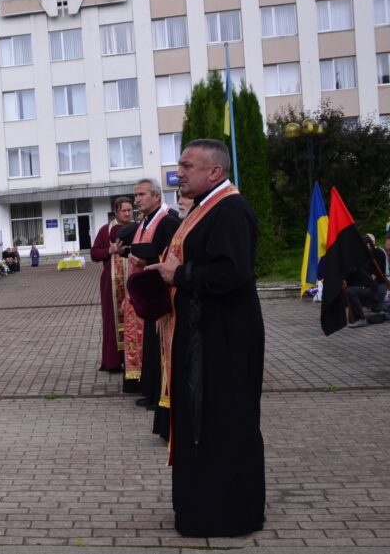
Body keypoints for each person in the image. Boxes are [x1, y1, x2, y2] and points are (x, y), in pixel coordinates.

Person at [148, 139, 265, 537]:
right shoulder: (204, 208)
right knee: (204, 419)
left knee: (222, 421)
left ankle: (227, 513)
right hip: (203, 333)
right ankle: (201, 506)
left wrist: (178, 275)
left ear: (215, 171)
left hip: (223, 339)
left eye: (187, 165)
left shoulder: (230, 210)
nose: (179, 172)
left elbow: (232, 273)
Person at [127, 179, 180, 440]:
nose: (137, 200)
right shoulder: (144, 222)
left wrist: (148, 260)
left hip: (160, 293)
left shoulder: (168, 221)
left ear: (157, 197)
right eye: (135, 195)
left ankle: (159, 393)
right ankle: (150, 390)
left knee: (160, 346)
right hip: (147, 292)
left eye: (141, 195)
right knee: (149, 342)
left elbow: (172, 255)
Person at [89, 197, 134, 373]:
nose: (128, 213)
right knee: (112, 320)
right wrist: (110, 250)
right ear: (116, 211)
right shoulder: (104, 230)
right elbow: (94, 254)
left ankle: (133, 359)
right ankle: (113, 361)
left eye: (130, 210)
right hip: (112, 282)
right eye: (124, 210)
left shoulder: (138, 228)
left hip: (133, 280)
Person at [345, 233, 389, 327]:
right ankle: (360, 317)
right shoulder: (358, 256)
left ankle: (364, 316)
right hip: (365, 285)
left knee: (379, 309)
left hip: (376, 285)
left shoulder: (378, 253)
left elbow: (379, 274)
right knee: (350, 291)